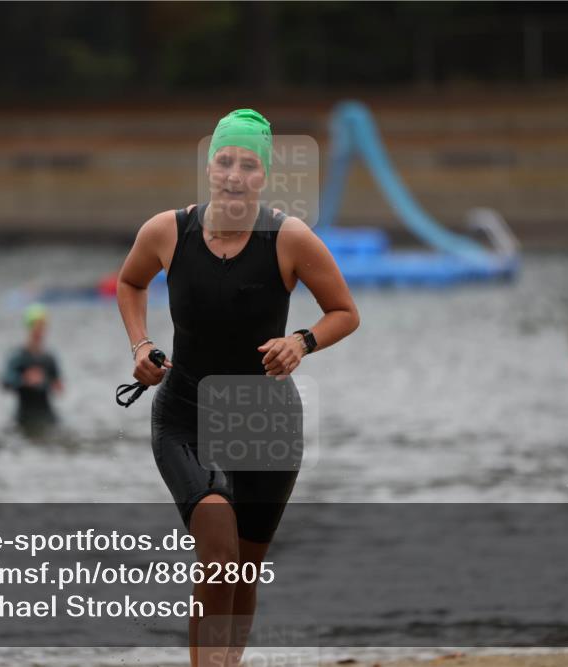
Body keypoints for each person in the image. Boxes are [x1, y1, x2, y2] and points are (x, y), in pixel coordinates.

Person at [116, 108, 359, 667]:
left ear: (263, 176)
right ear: (208, 166)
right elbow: (130, 282)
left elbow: (344, 312)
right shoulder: (166, 232)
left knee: (244, 565)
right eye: (224, 160)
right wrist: (140, 345)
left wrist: (302, 341)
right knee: (218, 545)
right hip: (185, 415)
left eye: (248, 164)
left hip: (265, 420)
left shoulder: (289, 239)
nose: (233, 174)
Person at [0, 304, 64, 434]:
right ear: (29, 327)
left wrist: (48, 382)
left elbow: (58, 386)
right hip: (24, 416)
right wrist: (25, 379)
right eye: (36, 326)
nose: (39, 331)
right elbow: (5, 382)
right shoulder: (18, 356)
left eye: (42, 326)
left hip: (47, 415)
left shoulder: (48, 358)